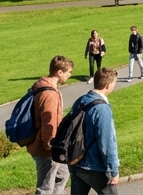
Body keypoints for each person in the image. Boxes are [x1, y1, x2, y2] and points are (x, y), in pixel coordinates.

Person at [68, 67, 120, 195]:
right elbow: (107, 142)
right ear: (107, 86)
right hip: (94, 166)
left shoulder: (81, 100)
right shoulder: (102, 109)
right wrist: (113, 170)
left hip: (76, 161)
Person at [28, 56, 73, 195]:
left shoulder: (40, 86)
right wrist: (50, 147)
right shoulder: (49, 94)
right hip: (45, 148)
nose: (70, 75)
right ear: (59, 72)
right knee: (45, 188)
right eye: (68, 72)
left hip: (44, 144)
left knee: (62, 175)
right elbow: (49, 122)